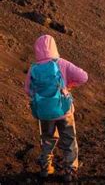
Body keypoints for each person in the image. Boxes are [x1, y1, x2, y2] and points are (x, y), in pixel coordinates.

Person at [24, 35, 88, 182]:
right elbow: (84, 77)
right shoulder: (62, 63)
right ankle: (70, 171)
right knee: (69, 140)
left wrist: (42, 96)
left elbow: (28, 90)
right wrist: (69, 85)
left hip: (44, 113)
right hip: (64, 110)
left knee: (47, 139)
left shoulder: (34, 68)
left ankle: (45, 168)